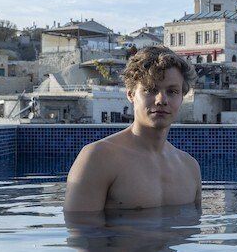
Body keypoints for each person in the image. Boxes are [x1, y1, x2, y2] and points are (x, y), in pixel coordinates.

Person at [64, 46, 201, 212]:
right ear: (130, 94)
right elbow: (80, 234)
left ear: (181, 97)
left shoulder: (190, 167)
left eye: (172, 91)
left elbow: (195, 232)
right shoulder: (98, 158)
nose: (161, 100)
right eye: (151, 90)